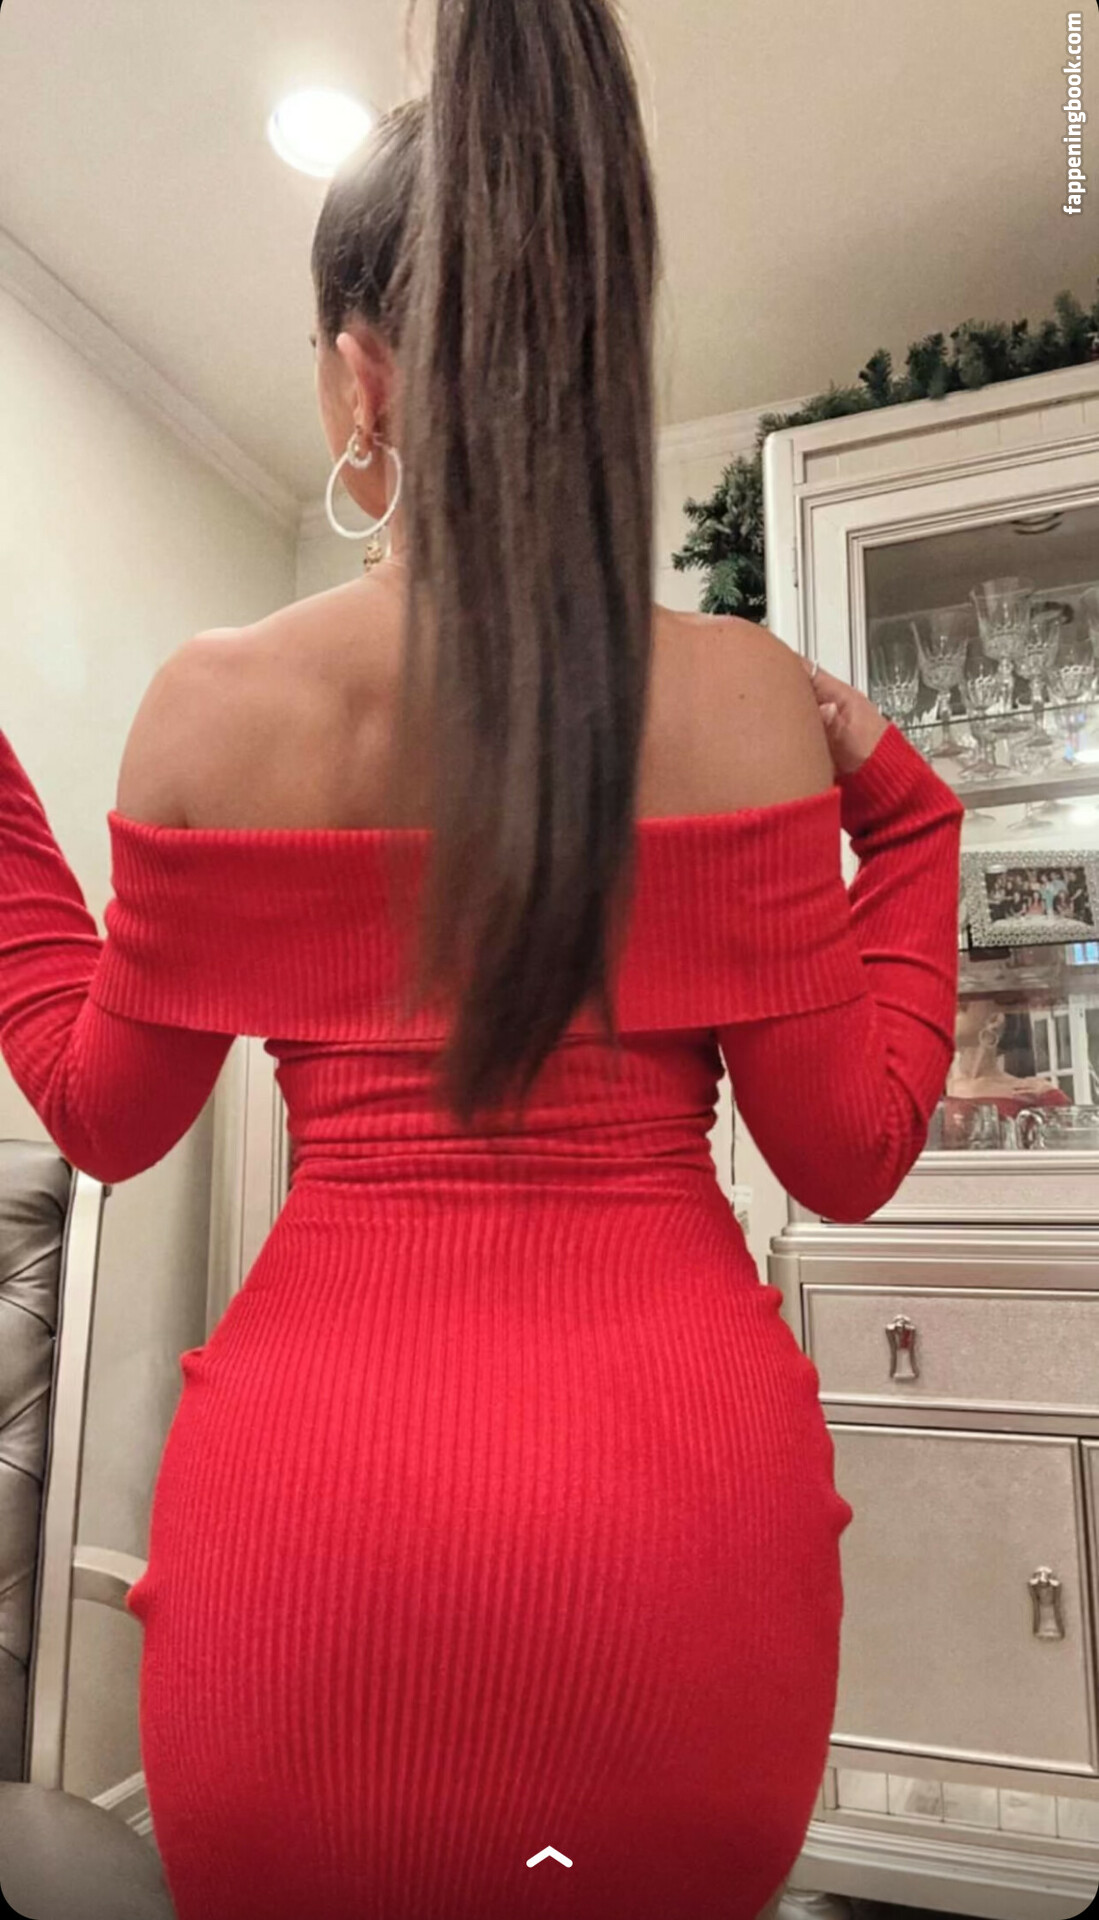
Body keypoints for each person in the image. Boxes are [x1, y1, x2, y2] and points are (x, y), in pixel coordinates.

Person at [0, 3, 963, 1915]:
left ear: (359, 379)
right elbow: (850, 1150)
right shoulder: (745, 701)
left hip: (316, 1545)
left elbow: (100, 1118)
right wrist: (912, 813)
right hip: (679, 1551)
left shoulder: (215, 711)